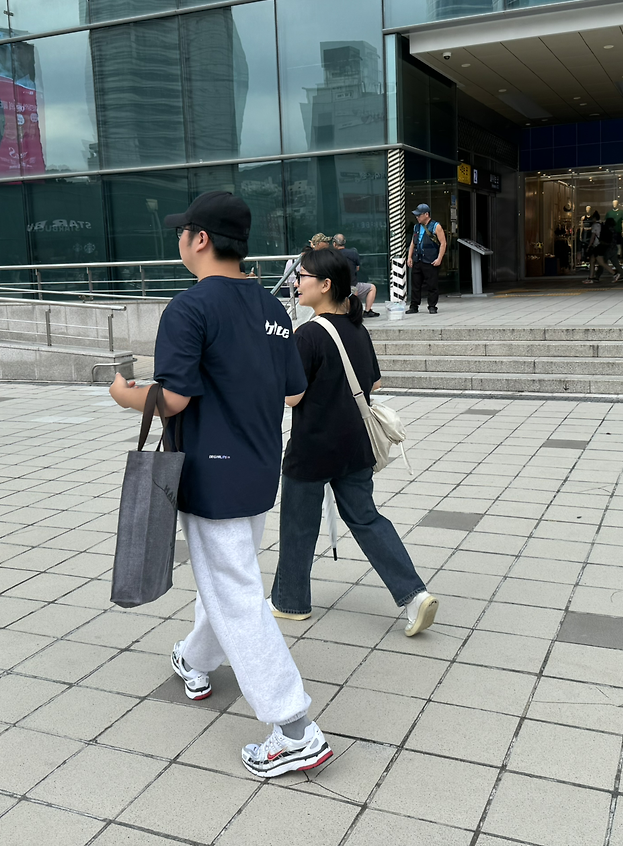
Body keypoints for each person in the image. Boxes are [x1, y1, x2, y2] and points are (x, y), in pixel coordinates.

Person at [108, 191, 331, 779]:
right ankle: (195, 658)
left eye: (182, 231)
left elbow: (174, 398)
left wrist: (123, 393)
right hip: (257, 467)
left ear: (200, 239)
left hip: (211, 472)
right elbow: (294, 392)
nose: (179, 240)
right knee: (228, 577)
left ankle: (294, 728)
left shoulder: (189, 308)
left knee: (233, 592)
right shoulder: (274, 308)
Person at [271, 246, 438, 635]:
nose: (296, 283)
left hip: (312, 449)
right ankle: (414, 596)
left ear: (325, 285)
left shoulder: (308, 334)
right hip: (356, 446)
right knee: (366, 518)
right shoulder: (357, 329)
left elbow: (291, 397)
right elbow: (373, 383)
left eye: (302, 277)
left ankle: (290, 602)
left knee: (298, 526)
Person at [406, 204, 445, 314]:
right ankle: (414, 306)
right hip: (418, 259)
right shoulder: (416, 227)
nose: (417, 217)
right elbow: (413, 243)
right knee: (415, 284)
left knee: (432, 284)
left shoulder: (436, 226)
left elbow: (443, 243)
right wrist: (409, 257)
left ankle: (432, 306)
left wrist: (439, 258)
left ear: (426, 214)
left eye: (419, 215)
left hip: (430, 260)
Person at [332, 233, 379, 317]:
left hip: (338, 288)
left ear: (334, 244)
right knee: (372, 287)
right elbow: (357, 268)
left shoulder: (332, 255)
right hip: (353, 286)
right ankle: (367, 310)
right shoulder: (353, 253)